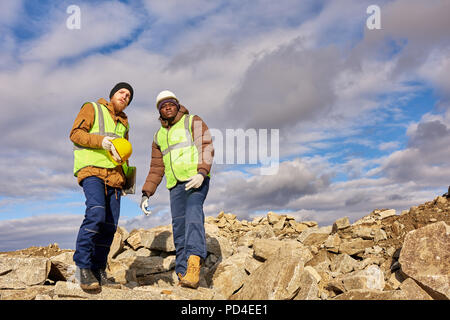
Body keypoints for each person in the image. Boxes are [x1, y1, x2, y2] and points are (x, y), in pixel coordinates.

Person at [141, 90, 214, 289]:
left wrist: (202, 172)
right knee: (179, 227)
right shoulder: (158, 136)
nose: (167, 106)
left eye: (170, 103)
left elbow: (206, 145)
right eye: (163, 105)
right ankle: (182, 272)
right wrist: (147, 192)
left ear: (177, 105)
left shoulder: (192, 121)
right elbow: (156, 167)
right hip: (175, 186)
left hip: (195, 179)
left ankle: (194, 265)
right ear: (160, 111)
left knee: (193, 214)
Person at [69, 82, 134, 290]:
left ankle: (98, 270)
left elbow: (124, 154)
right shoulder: (92, 107)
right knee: (96, 214)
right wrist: (102, 141)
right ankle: (83, 267)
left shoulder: (125, 124)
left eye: (129, 96)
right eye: (122, 92)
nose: (125, 96)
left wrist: (127, 179)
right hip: (92, 171)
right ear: (113, 94)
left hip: (115, 178)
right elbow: (76, 134)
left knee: (109, 226)